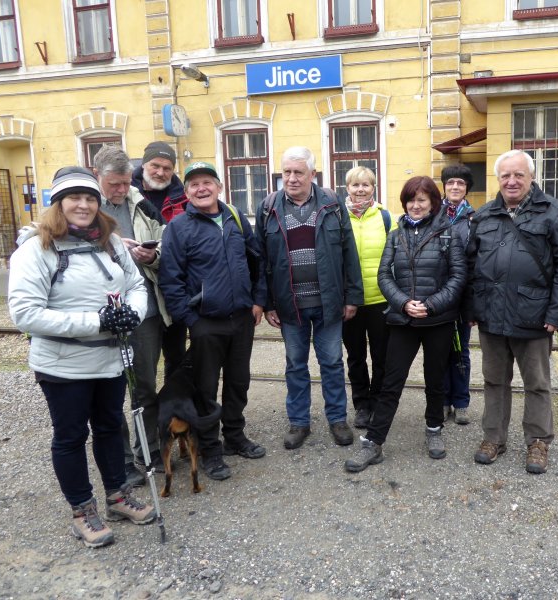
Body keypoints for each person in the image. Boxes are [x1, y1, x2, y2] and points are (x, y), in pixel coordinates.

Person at [8, 166, 155, 548]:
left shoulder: (110, 244)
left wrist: (132, 313)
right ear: (58, 203)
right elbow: (25, 313)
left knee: (109, 428)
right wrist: (97, 321)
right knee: (71, 436)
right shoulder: (36, 248)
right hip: (62, 365)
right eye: (74, 197)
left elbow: (136, 285)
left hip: (109, 361)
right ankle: (82, 508)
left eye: (90, 198)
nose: (84, 205)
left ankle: (117, 496)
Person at [466, 150, 558, 474]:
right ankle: (494, 438)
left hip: (534, 315)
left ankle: (538, 442)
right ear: (498, 179)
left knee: (537, 383)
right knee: (493, 381)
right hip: (491, 315)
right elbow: (471, 265)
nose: (512, 181)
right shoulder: (485, 215)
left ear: (531, 177)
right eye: (505, 175)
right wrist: (473, 308)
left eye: (518, 174)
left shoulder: (554, 212)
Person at [345, 176, 467, 473]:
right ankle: (374, 443)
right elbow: (384, 275)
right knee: (391, 383)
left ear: (433, 203)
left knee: (435, 380)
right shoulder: (396, 235)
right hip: (402, 320)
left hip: (437, 320)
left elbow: (458, 276)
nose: (415, 205)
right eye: (411, 200)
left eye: (422, 200)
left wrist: (431, 304)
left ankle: (434, 429)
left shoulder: (448, 234)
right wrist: (402, 303)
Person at [159, 161, 267, 481]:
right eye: (194, 184)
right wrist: (191, 318)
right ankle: (210, 448)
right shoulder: (179, 228)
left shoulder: (234, 218)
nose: (201, 188)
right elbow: (171, 280)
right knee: (205, 389)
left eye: (207, 182)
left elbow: (257, 262)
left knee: (238, 382)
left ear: (219, 187)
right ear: (187, 192)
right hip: (206, 322)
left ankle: (235, 437)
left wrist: (258, 300)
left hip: (242, 318)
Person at [255, 146, 363, 450]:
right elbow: (261, 260)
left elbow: (348, 252)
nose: (291, 178)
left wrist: (352, 297)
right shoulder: (267, 207)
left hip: (329, 303)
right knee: (295, 365)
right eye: (286, 172)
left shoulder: (332, 204)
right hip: (290, 307)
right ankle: (299, 422)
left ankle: (337, 419)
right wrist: (267, 304)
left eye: (298, 172)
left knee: (331, 362)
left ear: (311, 175)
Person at [94, 145, 169, 487]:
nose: (122, 190)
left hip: (144, 312)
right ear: (98, 177)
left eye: (126, 182)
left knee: (145, 386)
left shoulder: (142, 204)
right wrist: (110, 247)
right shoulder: (83, 207)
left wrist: (149, 256)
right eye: (115, 184)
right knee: (109, 392)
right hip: (101, 313)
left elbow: (165, 245)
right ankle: (122, 460)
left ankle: (148, 451)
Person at [341, 166, 396, 429]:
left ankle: (377, 402)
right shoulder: (337, 217)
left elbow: (398, 256)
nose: (360, 190)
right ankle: (361, 405)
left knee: (382, 356)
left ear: (373, 188)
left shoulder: (386, 218)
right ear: (347, 188)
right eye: (355, 185)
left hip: (380, 300)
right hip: (349, 302)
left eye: (366, 185)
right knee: (355, 357)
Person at [131, 141, 188, 379]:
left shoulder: (184, 198)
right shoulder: (126, 193)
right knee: (144, 362)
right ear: (144, 164)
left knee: (176, 356)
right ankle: (148, 410)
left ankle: (173, 409)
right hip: (139, 290)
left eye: (167, 168)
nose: (160, 172)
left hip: (174, 287)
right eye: (155, 165)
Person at [439, 163, 475, 425]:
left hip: (463, 296)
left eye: (460, 184)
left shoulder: (475, 219)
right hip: (438, 295)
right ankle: (442, 400)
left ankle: (461, 402)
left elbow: (478, 264)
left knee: (461, 351)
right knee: (439, 350)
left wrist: (473, 304)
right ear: (444, 186)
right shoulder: (433, 214)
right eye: (451, 182)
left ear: (466, 189)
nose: (455, 187)